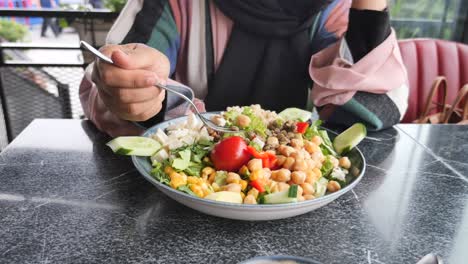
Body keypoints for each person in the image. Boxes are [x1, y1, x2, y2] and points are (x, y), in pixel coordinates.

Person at [79, 0, 409, 137]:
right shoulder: (173, 5)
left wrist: (370, 9)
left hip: (305, 203)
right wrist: (136, 93)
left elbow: (366, 111)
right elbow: (109, 80)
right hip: (178, 201)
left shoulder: (334, 9)